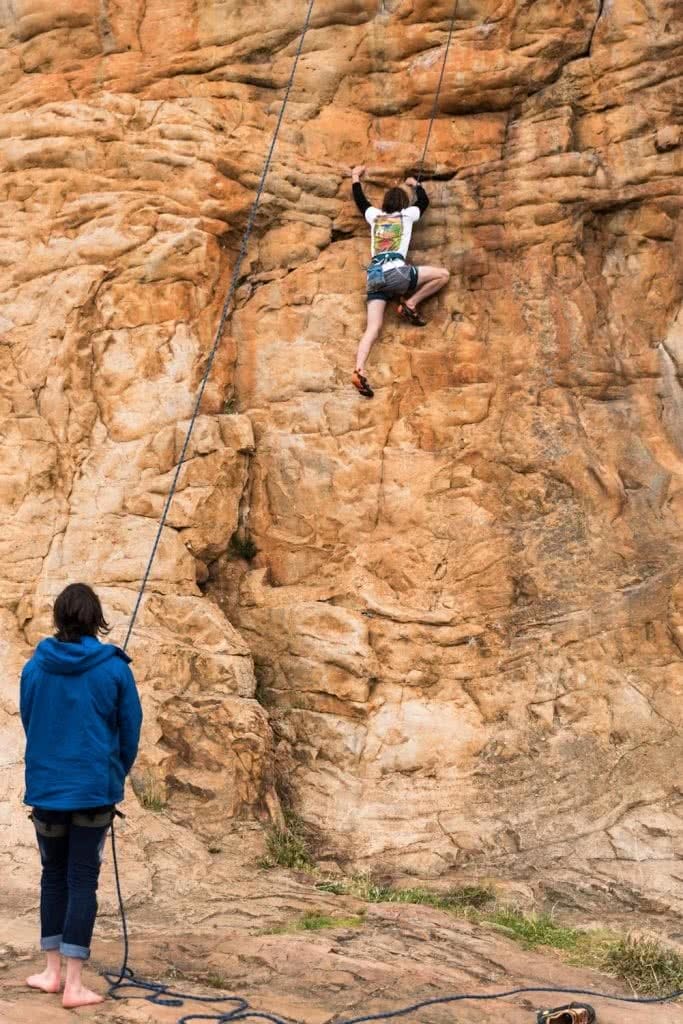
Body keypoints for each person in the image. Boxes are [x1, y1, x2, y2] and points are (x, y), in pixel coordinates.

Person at [19, 583, 142, 1008]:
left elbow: (31, 721)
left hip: (48, 791)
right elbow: (130, 731)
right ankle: (73, 984)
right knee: (81, 880)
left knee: (52, 875)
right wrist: (112, 775)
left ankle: (51, 973)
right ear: (95, 619)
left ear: (58, 617)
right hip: (93, 792)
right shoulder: (114, 668)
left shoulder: (35, 666)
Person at [350, 165, 450, 398]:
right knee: (442, 275)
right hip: (396, 272)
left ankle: (359, 369)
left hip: (374, 276)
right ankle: (411, 304)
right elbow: (422, 202)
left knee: (372, 328)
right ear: (403, 205)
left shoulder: (375, 217)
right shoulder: (407, 216)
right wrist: (416, 185)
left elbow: (361, 201)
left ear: (385, 204)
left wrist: (355, 176)